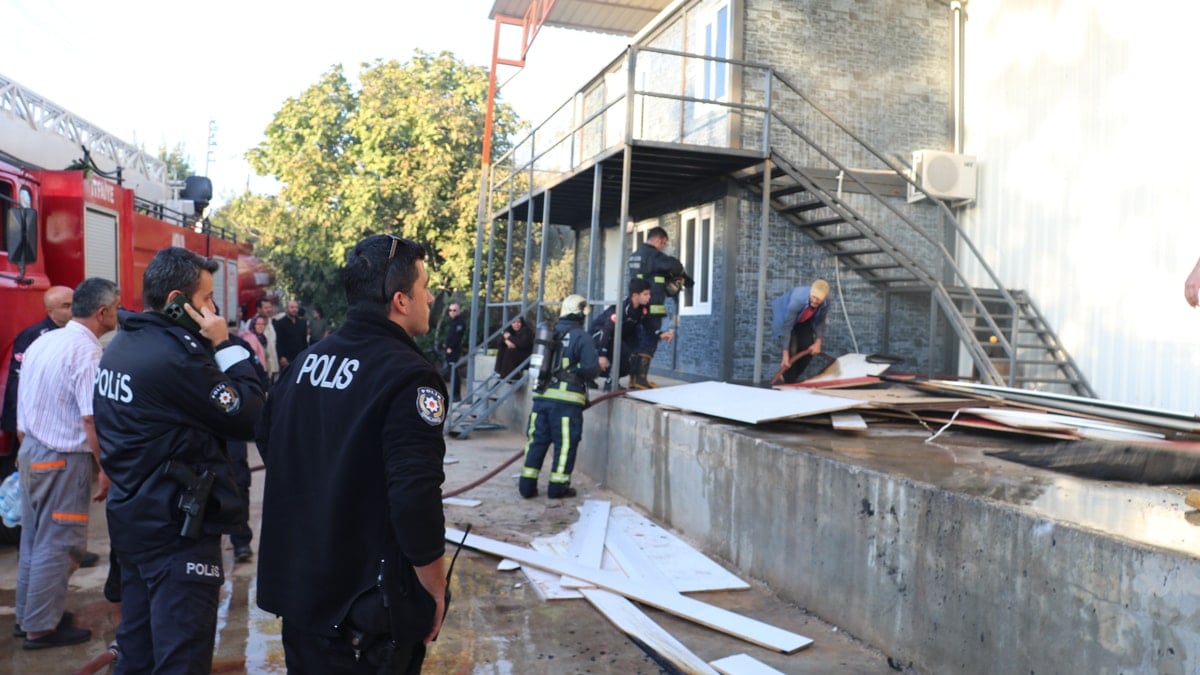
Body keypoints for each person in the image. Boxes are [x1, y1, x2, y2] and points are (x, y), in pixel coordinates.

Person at [256, 234, 448, 673]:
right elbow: (415, 498)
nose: (430, 297)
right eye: (424, 287)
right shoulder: (410, 377)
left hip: (302, 599)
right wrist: (433, 588)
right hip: (363, 615)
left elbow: (270, 443)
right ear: (400, 300)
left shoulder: (305, 363)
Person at [94, 247, 266, 674]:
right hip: (175, 537)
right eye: (206, 299)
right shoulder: (175, 358)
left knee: (136, 655)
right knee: (180, 661)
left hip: (135, 526)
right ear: (176, 301)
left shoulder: (123, 344)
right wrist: (225, 344)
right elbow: (250, 415)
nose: (213, 310)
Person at [13, 278, 117, 650]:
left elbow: (23, 402)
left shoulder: (44, 341)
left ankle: (30, 617)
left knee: (35, 539)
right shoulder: (86, 352)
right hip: (62, 459)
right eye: (117, 308)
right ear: (102, 313)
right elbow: (90, 419)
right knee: (60, 544)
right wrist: (104, 468)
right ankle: (42, 628)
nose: (118, 313)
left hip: (33, 452)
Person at [519, 294, 600, 499]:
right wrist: (579, 370)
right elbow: (592, 369)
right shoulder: (582, 337)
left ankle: (526, 486)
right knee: (564, 445)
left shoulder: (550, 333)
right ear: (581, 315)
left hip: (541, 398)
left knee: (536, 442)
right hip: (567, 402)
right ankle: (558, 487)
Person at [2, 285, 74, 463]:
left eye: (75, 304)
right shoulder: (32, 336)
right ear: (50, 311)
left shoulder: (79, 335)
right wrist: (19, 424)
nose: (73, 310)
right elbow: (17, 381)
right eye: (66, 306)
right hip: (36, 422)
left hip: (65, 422)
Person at [626, 227, 690, 388]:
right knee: (649, 340)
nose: (663, 247)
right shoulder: (654, 255)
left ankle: (634, 379)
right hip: (652, 306)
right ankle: (641, 380)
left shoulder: (635, 255)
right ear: (659, 240)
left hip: (637, 306)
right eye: (664, 243)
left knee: (638, 341)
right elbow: (675, 266)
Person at [589, 278, 673, 389]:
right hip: (600, 336)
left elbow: (648, 325)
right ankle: (606, 381)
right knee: (622, 353)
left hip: (616, 337)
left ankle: (597, 375)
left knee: (629, 364)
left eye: (649, 294)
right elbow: (606, 330)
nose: (649, 297)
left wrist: (660, 334)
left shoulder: (643, 308)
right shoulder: (621, 309)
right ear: (635, 295)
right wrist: (602, 355)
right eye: (645, 294)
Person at [771, 279, 831, 384]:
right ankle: (790, 382)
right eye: (813, 297)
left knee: (809, 348)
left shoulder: (826, 302)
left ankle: (789, 378)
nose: (815, 301)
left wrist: (818, 342)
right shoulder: (798, 298)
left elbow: (820, 321)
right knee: (791, 349)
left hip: (803, 318)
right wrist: (785, 353)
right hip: (785, 317)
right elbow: (787, 326)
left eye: (818, 299)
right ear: (810, 293)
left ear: (824, 298)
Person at [440, 301, 467, 400]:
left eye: (454, 310)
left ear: (458, 311)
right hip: (449, 350)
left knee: (454, 371)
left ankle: (456, 395)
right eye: (450, 310)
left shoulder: (460, 322)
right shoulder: (453, 322)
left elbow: (457, 337)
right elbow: (450, 336)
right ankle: (454, 394)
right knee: (452, 372)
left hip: (453, 351)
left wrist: (450, 347)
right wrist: (445, 345)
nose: (452, 312)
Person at [493, 315, 534, 379]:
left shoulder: (526, 330)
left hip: (526, 359)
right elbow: (499, 339)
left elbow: (522, 343)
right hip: (515, 357)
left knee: (510, 351)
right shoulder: (510, 330)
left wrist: (509, 337)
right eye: (514, 322)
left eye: (518, 322)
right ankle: (499, 372)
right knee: (502, 348)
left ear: (522, 323)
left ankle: (512, 377)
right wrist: (506, 341)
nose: (516, 324)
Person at [273, 299, 308, 370]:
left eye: (296, 307)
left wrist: (306, 354)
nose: (294, 309)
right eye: (292, 307)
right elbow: (278, 342)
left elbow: (304, 341)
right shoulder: (279, 323)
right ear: (286, 309)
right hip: (286, 359)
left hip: (300, 358)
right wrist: (281, 357)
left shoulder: (302, 323)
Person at [254, 296, 280, 382]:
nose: (269, 310)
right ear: (258, 309)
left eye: (269, 307)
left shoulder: (272, 323)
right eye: (266, 308)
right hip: (259, 370)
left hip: (273, 369)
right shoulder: (251, 325)